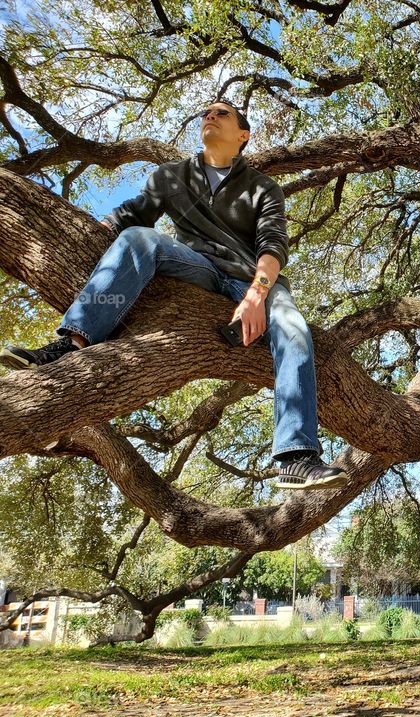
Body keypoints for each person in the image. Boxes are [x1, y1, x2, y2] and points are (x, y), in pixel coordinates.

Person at [0, 100, 347, 491]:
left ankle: (295, 457)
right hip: (195, 267)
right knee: (138, 238)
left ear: (243, 135)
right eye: (206, 113)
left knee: (296, 331)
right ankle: (73, 342)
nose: (209, 116)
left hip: (253, 280)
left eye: (222, 114)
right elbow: (130, 217)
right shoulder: (171, 176)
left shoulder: (264, 188)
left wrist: (256, 296)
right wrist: (81, 231)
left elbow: (273, 247)